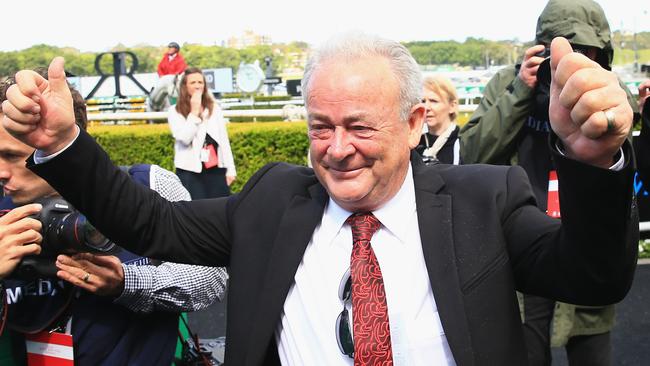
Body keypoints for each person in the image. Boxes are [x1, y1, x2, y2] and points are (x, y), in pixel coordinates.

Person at [1, 32, 638, 366]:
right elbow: (153, 223)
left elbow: (596, 275)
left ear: (416, 122)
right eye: (318, 127)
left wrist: (595, 161)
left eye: (360, 127)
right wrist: (66, 143)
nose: (336, 149)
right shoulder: (277, 200)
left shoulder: (485, 198)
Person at [459, 1, 640, 364]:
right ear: (541, 49)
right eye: (561, 52)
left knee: (592, 348)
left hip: (584, 240)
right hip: (527, 245)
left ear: (601, 53)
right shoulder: (509, 84)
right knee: (526, 351)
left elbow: (622, 167)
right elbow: (473, 150)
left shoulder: (605, 88)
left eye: (585, 52)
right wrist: (520, 92)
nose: (570, 63)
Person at [0, 77, 228, 365]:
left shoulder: (148, 185)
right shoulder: (3, 214)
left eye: (11, 156)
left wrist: (127, 283)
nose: (1, 172)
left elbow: (211, 278)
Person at [168, 67, 236, 199]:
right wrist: (194, 112)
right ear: (185, 86)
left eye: (200, 82)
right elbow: (184, 138)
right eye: (193, 83)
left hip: (215, 168)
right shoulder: (175, 111)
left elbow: (223, 140)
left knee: (220, 210)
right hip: (190, 171)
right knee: (195, 211)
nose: (197, 86)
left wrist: (230, 169)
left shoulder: (214, 108)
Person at [415, 74, 461, 164]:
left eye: (433, 101)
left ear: (452, 106)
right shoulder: (416, 143)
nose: (426, 107)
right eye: (423, 101)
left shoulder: (462, 144)